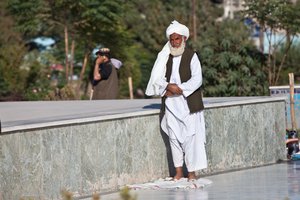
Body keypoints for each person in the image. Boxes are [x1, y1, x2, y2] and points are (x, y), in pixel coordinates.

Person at [146, 20, 207, 181]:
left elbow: (197, 80)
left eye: (177, 39)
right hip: (171, 105)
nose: (174, 42)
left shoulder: (191, 56)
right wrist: (168, 86)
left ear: (184, 39)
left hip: (188, 104)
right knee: (173, 138)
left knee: (190, 139)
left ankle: (192, 171)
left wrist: (178, 89)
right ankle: (178, 171)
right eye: (172, 39)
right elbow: (157, 79)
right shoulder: (165, 57)